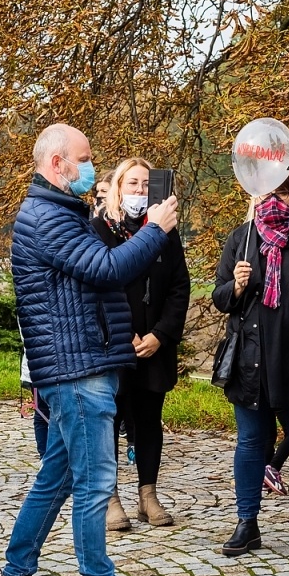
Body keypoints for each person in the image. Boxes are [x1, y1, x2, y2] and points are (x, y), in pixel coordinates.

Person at [0, 123, 178, 576]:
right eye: (85, 157)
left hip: (80, 364)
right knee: (97, 482)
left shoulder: (61, 211)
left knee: (55, 478)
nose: (92, 165)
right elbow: (106, 269)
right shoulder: (46, 217)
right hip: (77, 369)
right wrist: (155, 229)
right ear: (58, 164)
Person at [212, 173, 289, 561]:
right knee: (250, 442)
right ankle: (247, 523)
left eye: (281, 191)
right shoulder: (242, 238)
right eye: (266, 192)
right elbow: (220, 298)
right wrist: (236, 286)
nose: (273, 200)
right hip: (253, 359)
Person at [91, 158, 190, 530]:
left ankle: (148, 494)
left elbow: (179, 287)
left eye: (146, 184)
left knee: (149, 421)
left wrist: (160, 335)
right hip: (114, 344)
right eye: (132, 183)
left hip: (153, 345)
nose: (139, 190)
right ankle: (110, 497)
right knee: (110, 421)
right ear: (118, 187)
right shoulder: (99, 229)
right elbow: (97, 287)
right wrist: (123, 333)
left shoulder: (165, 230)